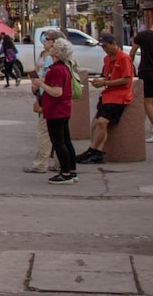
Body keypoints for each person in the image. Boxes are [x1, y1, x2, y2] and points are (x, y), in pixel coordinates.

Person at [77, 32, 134, 165]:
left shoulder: (124, 58)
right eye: (102, 47)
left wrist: (105, 83)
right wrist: (100, 81)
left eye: (106, 47)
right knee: (96, 123)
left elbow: (126, 79)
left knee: (103, 122)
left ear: (114, 44)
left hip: (119, 97)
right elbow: (107, 76)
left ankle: (93, 151)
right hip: (107, 95)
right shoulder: (107, 59)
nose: (104, 50)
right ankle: (97, 151)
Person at [32, 38, 77, 183]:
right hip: (63, 109)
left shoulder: (57, 70)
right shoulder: (64, 67)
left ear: (57, 52)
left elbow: (57, 92)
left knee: (59, 142)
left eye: (54, 47)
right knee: (66, 140)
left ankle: (65, 173)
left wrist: (41, 84)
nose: (50, 48)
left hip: (56, 110)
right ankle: (71, 170)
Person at [23, 29, 64, 174]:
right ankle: (60, 164)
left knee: (44, 132)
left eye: (47, 39)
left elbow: (46, 78)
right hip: (46, 96)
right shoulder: (45, 55)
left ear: (55, 43)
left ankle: (41, 163)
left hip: (48, 98)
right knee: (57, 134)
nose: (44, 41)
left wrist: (38, 84)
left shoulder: (51, 59)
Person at [129, 27, 153, 143]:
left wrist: (129, 68)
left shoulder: (142, 36)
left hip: (147, 71)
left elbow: (132, 53)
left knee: (148, 103)